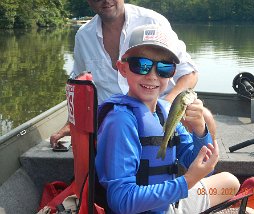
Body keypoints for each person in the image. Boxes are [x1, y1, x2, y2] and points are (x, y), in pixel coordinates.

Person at [95, 24, 240, 214]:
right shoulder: (120, 121)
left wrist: (200, 131)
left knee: (230, 182)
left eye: (164, 68)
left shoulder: (165, 111)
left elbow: (194, 161)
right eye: (141, 65)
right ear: (122, 68)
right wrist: (187, 181)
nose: (152, 76)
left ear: (172, 74)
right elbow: (121, 201)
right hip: (143, 208)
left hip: (168, 201)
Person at [50, 0, 216, 148]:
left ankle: (198, 175)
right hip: (112, 118)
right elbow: (79, 87)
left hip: (158, 108)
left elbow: (190, 74)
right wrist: (70, 123)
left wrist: (166, 106)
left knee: (205, 117)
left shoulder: (154, 22)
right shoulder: (83, 36)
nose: (106, 1)